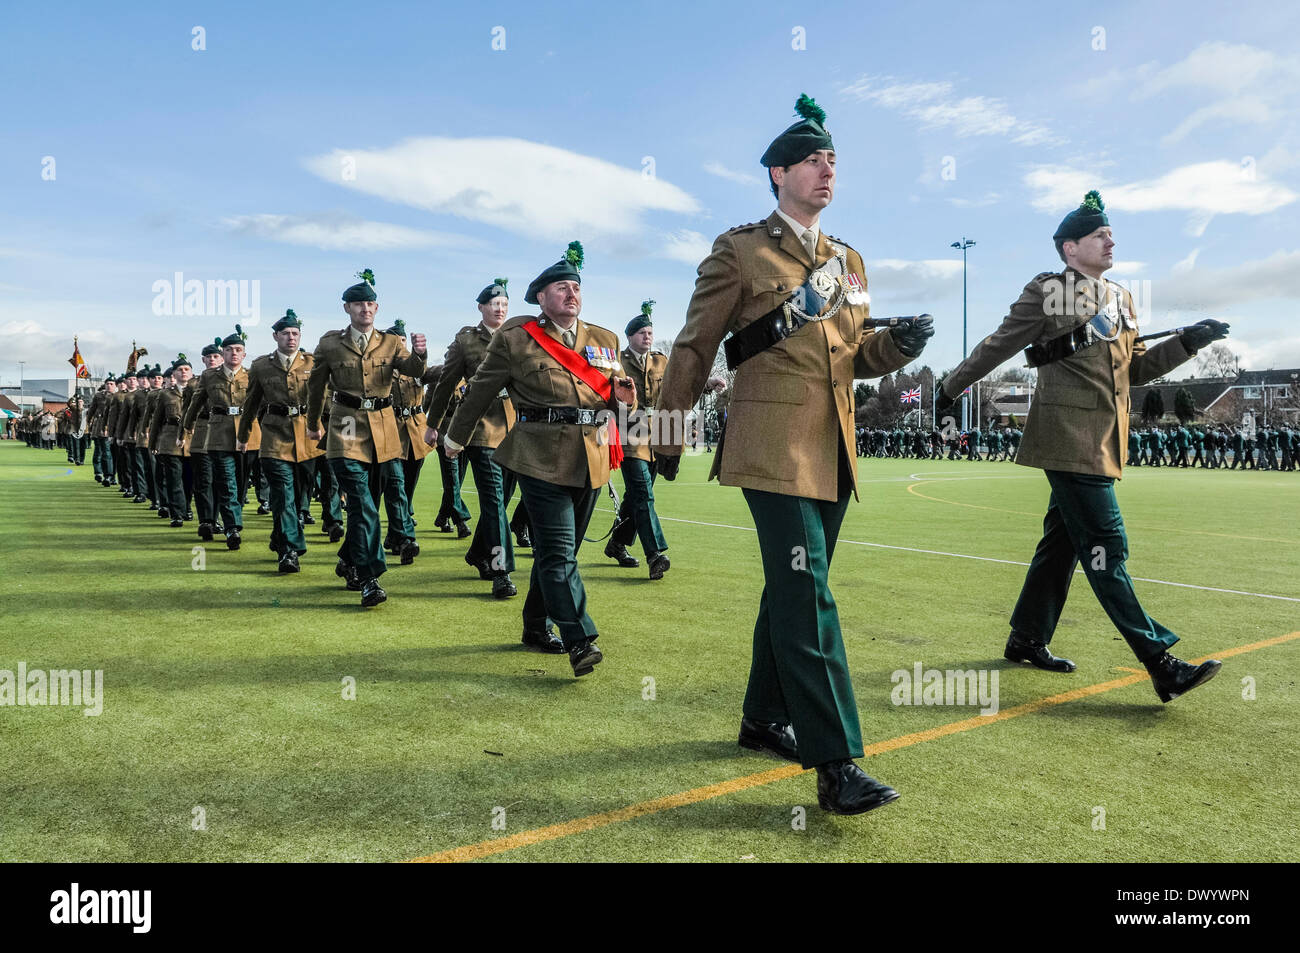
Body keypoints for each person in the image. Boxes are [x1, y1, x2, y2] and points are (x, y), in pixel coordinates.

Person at [653, 95, 932, 815]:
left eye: (834, 160)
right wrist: (667, 431)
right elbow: (694, 345)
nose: (827, 170)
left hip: (833, 446)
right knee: (809, 596)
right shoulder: (739, 251)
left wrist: (897, 347)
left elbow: (853, 354)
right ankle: (836, 762)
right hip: (770, 445)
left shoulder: (850, 260)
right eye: (813, 160)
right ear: (778, 172)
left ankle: (760, 716)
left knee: (794, 587)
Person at [935, 190, 1227, 704]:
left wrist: (1189, 343)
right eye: (1099, 235)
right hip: (1068, 440)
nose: (1110, 240)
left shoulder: (1122, 298)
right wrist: (950, 387)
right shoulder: (1049, 290)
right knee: (1105, 547)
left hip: (1105, 439)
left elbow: (1135, 370)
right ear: (1070, 249)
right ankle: (1160, 663)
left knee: (1063, 543)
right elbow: (999, 343)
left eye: (1111, 233)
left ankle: (1027, 637)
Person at [443, 242, 637, 671]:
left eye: (576, 288)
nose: (572, 295)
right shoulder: (517, 339)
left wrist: (626, 402)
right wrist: (455, 437)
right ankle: (580, 638)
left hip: (591, 455)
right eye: (562, 289)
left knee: (556, 554)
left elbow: (616, 407)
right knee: (559, 552)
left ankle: (534, 626)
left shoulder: (604, 339)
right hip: (539, 454)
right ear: (542, 298)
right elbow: (480, 390)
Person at [305, 269, 428, 607]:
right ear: (347, 308)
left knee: (368, 505)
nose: (365, 309)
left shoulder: (391, 342)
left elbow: (413, 371)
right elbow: (315, 388)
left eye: (370, 304)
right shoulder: (330, 343)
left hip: (384, 430)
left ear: (377, 308)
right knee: (361, 503)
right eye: (359, 304)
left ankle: (347, 559)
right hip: (345, 427)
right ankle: (370, 577)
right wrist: (313, 423)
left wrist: (420, 353)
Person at [424, 278, 522, 598]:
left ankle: (479, 553)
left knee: (501, 503)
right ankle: (500, 571)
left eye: (505, 305)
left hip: (516, 430)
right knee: (494, 502)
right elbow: (445, 384)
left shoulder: (519, 337)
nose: (500, 309)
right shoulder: (466, 341)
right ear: (481, 308)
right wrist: (434, 425)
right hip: (481, 430)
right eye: (494, 304)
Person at [237, 309, 324, 573]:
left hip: (308, 437)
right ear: (275, 336)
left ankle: (279, 537)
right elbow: (251, 403)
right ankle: (290, 551)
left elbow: (325, 398)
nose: (291, 338)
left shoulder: (313, 363)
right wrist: (243, 437)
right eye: (285, 333)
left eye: (295, 333)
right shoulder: (262, 366)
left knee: (299, 497)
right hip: (275, 436)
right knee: (283, 494)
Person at [182, 327, 261, 550]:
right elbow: (195, 404)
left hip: (249, 436)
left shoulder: (253, 375)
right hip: (219, 434)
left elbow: (262, 405)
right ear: (223, 353)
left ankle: (232, 520)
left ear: (244, 354)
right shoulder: (209, 376)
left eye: (238, 350)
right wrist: (186, 427)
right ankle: (232, 528)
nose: (233, 353)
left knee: (241, 484)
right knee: (226, 483)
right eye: (228, 350)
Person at [185, 341, 224, 540]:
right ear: (203, 360)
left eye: (216, 356)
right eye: (208, 357)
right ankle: (206, 520)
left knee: (220, 480)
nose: (212, 360)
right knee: (204, 480)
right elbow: (187, 411)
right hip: (202, 433)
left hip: (224, 434)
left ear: (222, 357)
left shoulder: (230, 380)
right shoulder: (193, 384)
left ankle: (216, 518)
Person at [152, 355, 193, 527]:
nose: (183, 372)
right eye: (179, 370)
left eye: (186, 369)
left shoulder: (199, 390)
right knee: (174, 478)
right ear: (173, 375)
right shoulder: (165, 394)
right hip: (170, 440)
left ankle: (187, 507)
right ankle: (176, 513)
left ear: (191, 373)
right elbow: (156, 420)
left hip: (193, 440)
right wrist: (153, 443)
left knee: (189, 479)